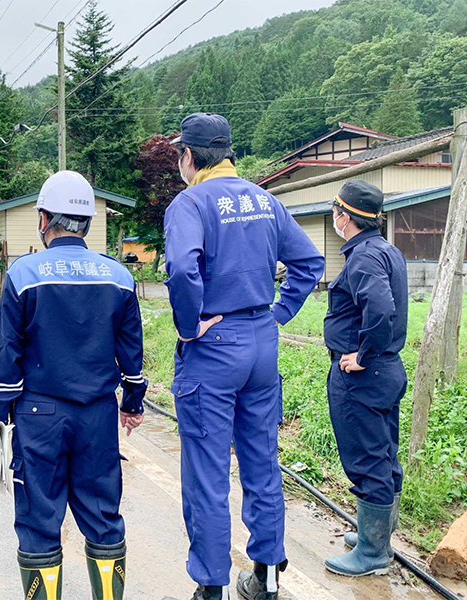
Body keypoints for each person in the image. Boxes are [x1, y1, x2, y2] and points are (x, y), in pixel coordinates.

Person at [162, 113, 325, 600]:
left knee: (208, 471)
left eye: (179, 156)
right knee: (261, 462)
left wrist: (190, 326)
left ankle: (210, 589)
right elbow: (310, 261)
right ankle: (266, 579)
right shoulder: (266, 199)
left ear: (189, 157)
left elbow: (182, 270)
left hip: (212, 347)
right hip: (260, 343)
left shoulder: (189, 203)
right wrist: (277, 314)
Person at [0, 170, 148, 600]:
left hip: (39, 416)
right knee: (103, 513)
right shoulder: (118, 277)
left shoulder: (23, 274)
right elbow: (131, 353)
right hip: (97, 414)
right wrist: (132, 401)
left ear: (43, 220)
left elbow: (7, 353)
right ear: (89, 222)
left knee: (40, 517)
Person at [323, 180, 408, 577]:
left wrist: (362, 353)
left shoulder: (362, 259)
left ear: (346, 216)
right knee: (384, 453)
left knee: (366, 459)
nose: (335, 218)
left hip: (364, 376)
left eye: (336, 212)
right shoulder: (386, 250)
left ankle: (374, 553)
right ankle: (378, 534)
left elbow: (380, 307)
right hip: (387, 372)